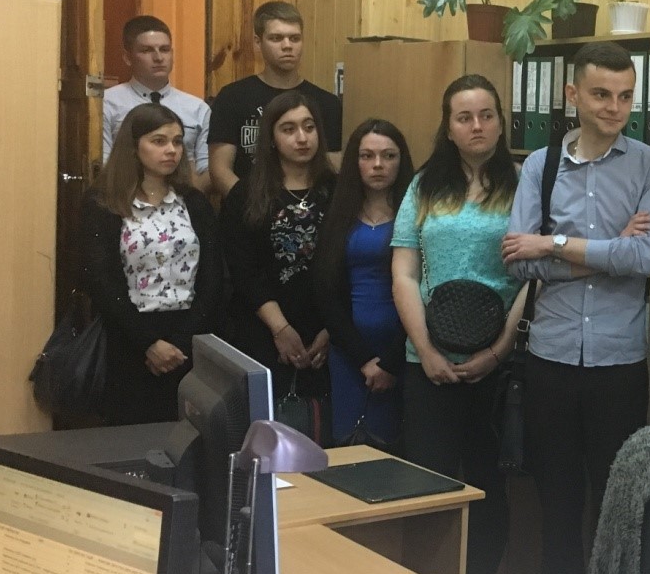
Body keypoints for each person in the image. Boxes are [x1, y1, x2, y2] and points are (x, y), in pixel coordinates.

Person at [501, 41, 650, 574]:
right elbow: (516, 261)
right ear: (573, 94)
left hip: (618, 364)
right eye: (601, 94)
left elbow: (643, 257)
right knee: (556, 505)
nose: (615, 108)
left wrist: (553, 243)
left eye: (626, 97)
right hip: (549, 359)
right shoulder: (540, 165)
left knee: (615, 508)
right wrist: (604, 253)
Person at [391, 75, 524, 574]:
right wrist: (425, 351)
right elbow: (404, 273)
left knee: (490, 490)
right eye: (464, 117)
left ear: (501, 123)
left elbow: (532, 279)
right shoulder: (424, 185)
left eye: (487, 115)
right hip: (428, 364)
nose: (477, 126)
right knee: (429, 488)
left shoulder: (523, 185)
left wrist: (498, 351)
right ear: (448, 127)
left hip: (498, 364)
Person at [81, 102, 224, 425]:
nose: (171, 150)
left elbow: (213, 277)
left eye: (177, 142)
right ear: (133, 147)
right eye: (159, 141)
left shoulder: (194, 202)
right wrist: (148, 343)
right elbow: (101, 280)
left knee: (189, 435)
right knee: (131, 437)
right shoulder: (104, 203)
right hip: (128, 340)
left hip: (189, 337)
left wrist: (182, 340)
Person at [220, 90, 337, 408]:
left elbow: (346, 265)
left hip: (327, 328)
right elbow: (244, 270)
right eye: (289, 129)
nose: (302, 138)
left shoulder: (337, 190)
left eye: (309, 127)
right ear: (271, 138)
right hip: (262, 327)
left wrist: (331, 329)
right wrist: (280, 329)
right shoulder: (245, 194)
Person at [315, 118, 414, 447]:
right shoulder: (337, 214)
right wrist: (363, 359)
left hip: (405, 350)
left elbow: (423, 290)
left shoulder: (417, 215)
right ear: (353, 162)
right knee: (349, 449)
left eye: (389, 156)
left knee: (397, 451)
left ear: (401, 161)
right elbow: (326, 290)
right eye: (367, 156)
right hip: (349, 353)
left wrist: (390, 363)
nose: (378, 165)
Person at [209, 0, 342, 194]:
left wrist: (301, 206)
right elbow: (220, 171)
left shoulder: (327, 103)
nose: (287, 46)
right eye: (276, 38)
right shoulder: (232, 97)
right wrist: (249, 205)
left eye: (294, 38)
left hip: (307, 206)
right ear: (258, 42)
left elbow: (331, 169)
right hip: (247, 206)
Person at [102, 15, 212, 191]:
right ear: (128, 57)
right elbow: (104, 163)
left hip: (183, 197)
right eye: (147, 50)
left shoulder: (197, 108)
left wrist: (185, 198)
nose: (159, 57)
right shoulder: (108, 103)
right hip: (124, 197)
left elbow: (207, 168)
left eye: (165, 49)